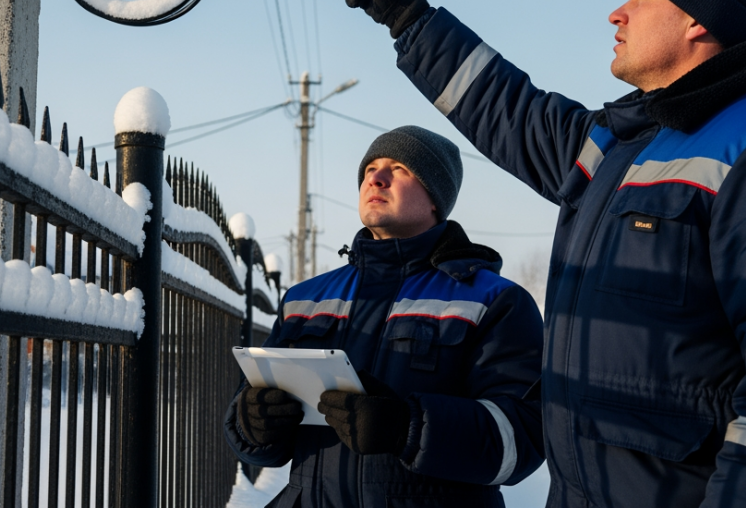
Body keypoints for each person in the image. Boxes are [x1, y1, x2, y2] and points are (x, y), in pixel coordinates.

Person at [332, 0, 746, 507]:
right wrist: (407, 18)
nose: (617, 14)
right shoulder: (619, 147)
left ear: (697, 19)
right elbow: (506, 106)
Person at [224, 126, 545, 508]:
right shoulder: (304, 299)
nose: (375, 178)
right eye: (370, 168)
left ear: (435, 199)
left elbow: (521, 440)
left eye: (399, 168)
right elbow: (257, 440)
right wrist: (253, 422)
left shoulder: (496, 301)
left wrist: (406, 428)